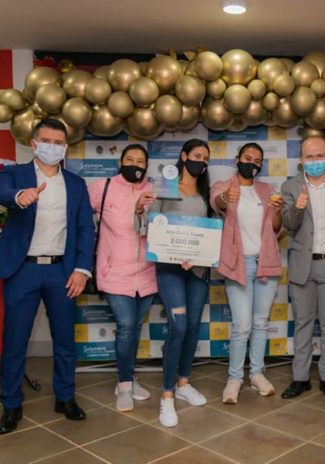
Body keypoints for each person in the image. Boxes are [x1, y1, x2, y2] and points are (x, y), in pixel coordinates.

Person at [0, 118, 94, 434]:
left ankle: (65, 397)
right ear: (34, 144)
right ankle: (11, 404)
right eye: (46, 141)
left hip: (63, 271)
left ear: (65, 147)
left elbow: (85, 229)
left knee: (65, 340)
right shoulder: (14, 174)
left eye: (59, 143)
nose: (52, 147)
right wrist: (21, 196)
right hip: (23, 270)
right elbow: (2, 193)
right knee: (15, 340)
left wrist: (81, 269)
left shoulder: (76, 184)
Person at [135, 139, 212, 427]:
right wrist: (140, 210)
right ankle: (166, 397)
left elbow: (205, 233)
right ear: (184, 156)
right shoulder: (166, 187)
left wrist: (197, 254)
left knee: (191, 327)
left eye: (205, 158)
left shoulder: (204, 193)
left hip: (197, 269)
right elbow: (152, 227)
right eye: (196, 155)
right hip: (169, 268)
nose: (201, 161)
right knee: (178, 326)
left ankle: (183, 384)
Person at [279, 136, 325, 402]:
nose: (315, 161)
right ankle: (300, 378)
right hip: (303, 264)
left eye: (319, 156)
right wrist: (297, 209)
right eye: (309, 157)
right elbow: (288, 224)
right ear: (301, 160)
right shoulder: (290, 186)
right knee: (303, 323)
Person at [210, 143, 283, 405]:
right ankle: (234, 378)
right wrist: (225, 198)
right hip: (238, 264)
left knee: (260, 322)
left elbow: (276, 229)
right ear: (237, 159)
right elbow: (217, 203)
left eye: (257, 160)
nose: (252, 162)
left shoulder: (267, 190)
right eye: (247, 157)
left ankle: (256, 374)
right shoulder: (223, 186)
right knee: (242, 325)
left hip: (266, 262)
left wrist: (277, 211)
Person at [87, 144, 157, 413]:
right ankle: (125, 384)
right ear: (120, 162)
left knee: (135, 328)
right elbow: (78, 219)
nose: (135, 164)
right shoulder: (102, 188)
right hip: (114, 272)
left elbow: (160, 231)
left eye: (140, 161)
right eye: (130, 159)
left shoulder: (155, 192)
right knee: (126, 325)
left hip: (147, 274)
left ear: (146, 166)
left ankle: (128, 377)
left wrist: (142, 211)